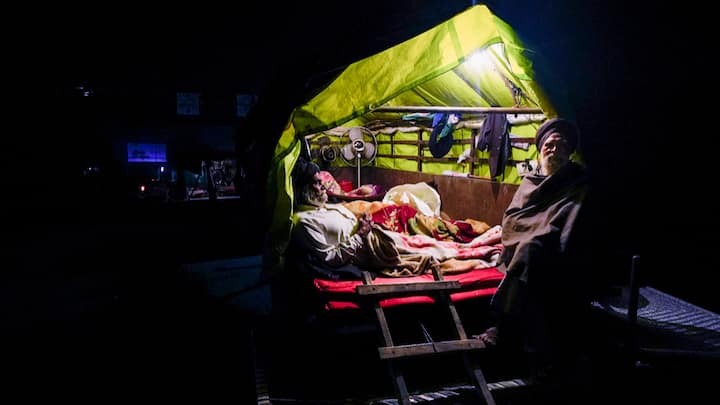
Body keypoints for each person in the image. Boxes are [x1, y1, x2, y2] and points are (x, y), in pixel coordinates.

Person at [475, 118, 596, 377]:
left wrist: (552, 231)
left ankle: (501, 324)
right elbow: (513, 218)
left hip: (558, 240)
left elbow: (573, 214)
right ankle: (511, 330)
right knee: (528, 247)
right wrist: (526, 230)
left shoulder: (577, 181)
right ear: (540, 151)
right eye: (549, 146)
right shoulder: (531, 181)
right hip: (527, 239)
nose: (554, 150)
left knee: (534, 248)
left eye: (561, 146)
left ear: (570, 151)